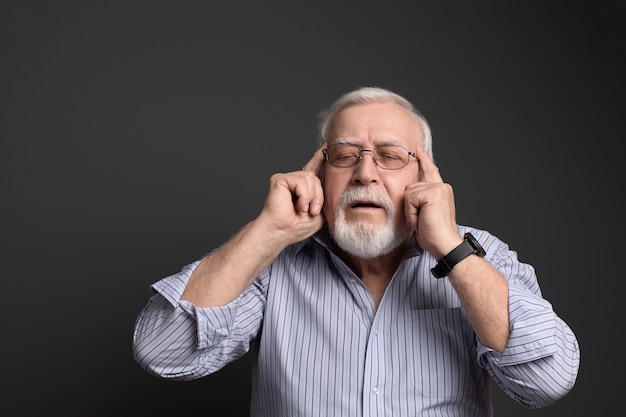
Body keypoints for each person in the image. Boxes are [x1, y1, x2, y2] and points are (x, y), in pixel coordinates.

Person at [132, 86, 580, 416]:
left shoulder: (478, 255)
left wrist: (449, 247)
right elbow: (162, 352)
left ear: (425, 175)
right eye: (345, 155)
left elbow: (546, 382)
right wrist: (268, 231)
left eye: (389, 155)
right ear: (320, 172)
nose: (366, 173)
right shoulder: (275, 263)